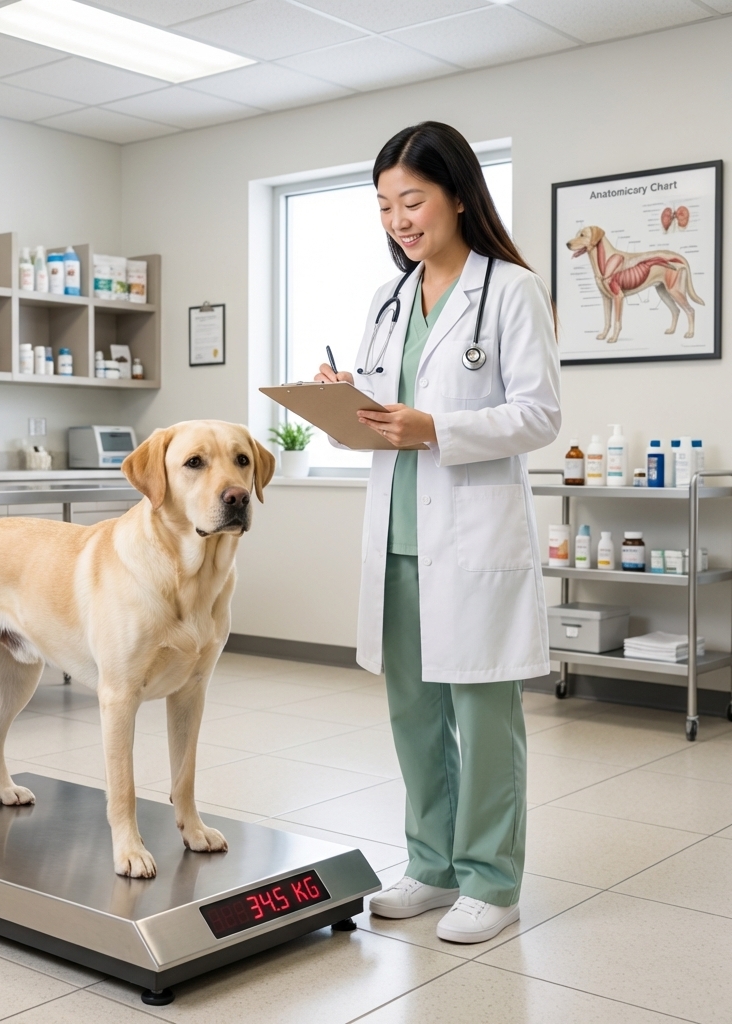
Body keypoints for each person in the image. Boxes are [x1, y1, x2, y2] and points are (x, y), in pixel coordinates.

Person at [316, 121, 560, 944]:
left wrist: (434, 427)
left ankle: (493, 880)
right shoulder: (390, 301)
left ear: (458, 194)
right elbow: (383, 416)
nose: (398, 219)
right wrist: (342, 399)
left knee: (484, 716)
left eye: (411, 200)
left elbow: (539, 415)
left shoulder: (510, 290)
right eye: (384, 205)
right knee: (414, 712)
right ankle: (431, 864)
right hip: (397, 535)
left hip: (474, 535)